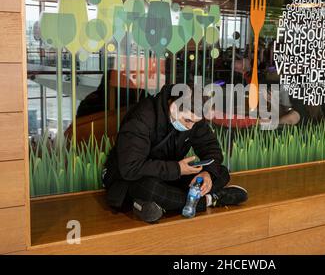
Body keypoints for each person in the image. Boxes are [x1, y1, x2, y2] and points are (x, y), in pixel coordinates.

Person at [103, 84, 248, 222]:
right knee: (151, 190)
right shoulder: (141, 118)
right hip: (133, 178)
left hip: (170, 174)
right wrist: (177, 169)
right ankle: (212, 199)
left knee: (220, 172)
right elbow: (130, 168)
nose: (191, 126)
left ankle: (165, 204)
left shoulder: (194, 119)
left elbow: (211, 148)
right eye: (187, 120)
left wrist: (207, 173)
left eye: (195, 122)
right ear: (173, 106)